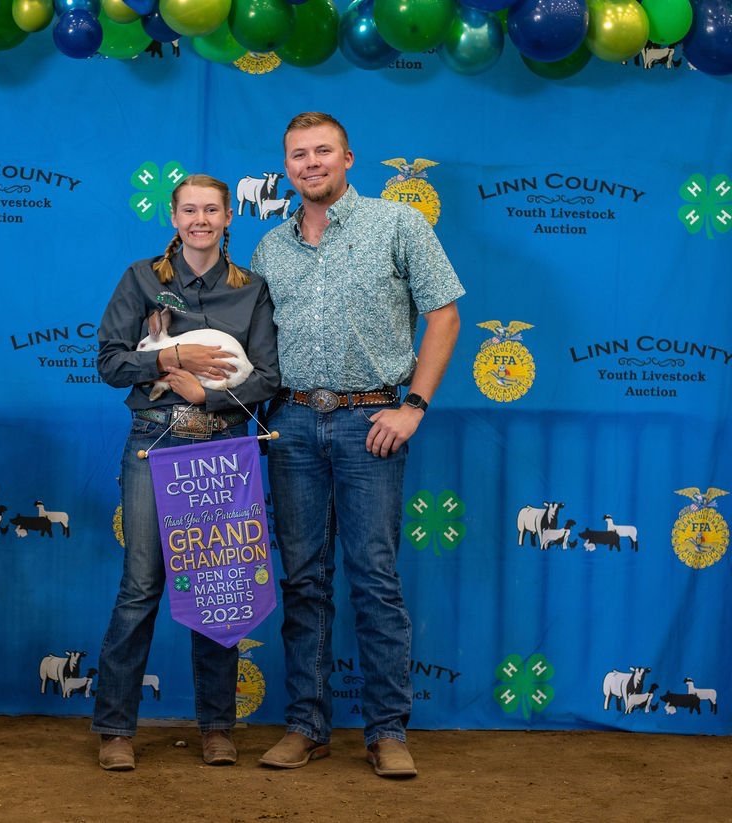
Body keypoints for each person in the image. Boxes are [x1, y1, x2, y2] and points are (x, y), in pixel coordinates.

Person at [251, 113, 464, 779]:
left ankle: (387, 729)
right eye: (298, 155)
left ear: (348, 157)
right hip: (288, 423)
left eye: (322, 151)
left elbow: (446, 314)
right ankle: (307, 724)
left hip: (370, 419)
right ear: (286, 167)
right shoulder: (267, 249)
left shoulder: (398, 224)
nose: (310, 163)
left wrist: (414, 405)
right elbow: (249, 346)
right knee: (304, 578)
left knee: (374, 576)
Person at [92, 174, 280, 771]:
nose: (200, 219)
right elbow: (109, 360)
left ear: (230, 218)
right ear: (173, 218)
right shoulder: (141, 279)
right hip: (154, 442)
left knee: (218, 588)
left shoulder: (252, 290)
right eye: (189, 210)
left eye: (212, 210)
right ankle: (116, 728)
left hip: (223, 445)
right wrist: (175, 356)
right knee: (140, 587)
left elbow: (268, 378)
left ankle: (217, 726)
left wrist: (205, 393)